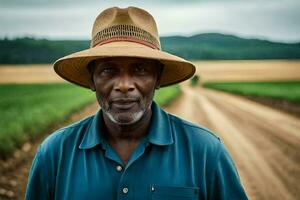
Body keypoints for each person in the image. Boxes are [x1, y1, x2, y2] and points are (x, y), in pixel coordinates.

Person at [25, 6, 248, 200]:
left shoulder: (205, 151)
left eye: (140, 70)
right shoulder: (55, 154)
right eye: (108, 70)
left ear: (158, 78)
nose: (124, 85)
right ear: (92, 79)